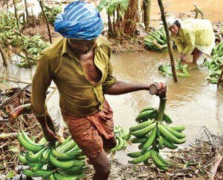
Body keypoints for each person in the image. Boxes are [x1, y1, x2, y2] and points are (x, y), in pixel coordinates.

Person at [31, 1, 166, 179]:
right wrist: (45, 127)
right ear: (68, 36)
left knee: (110, 144)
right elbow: (37, 97)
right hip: (77, 117)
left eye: (90, 41)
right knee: (104, 168)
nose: (86, 47)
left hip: (102, 109)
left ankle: (92, 155)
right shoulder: (50, 57)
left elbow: (109, 85)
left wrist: (146, 86)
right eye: (79, 43)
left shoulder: (102, 45)